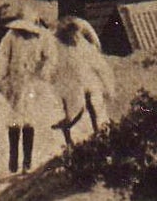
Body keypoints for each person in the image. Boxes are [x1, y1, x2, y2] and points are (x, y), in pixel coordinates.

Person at [0, 15, 56, 174]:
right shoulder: (11, 37)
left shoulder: (43, 38)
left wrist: (44, 71)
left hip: (32, 84)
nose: (25, 33)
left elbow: (50, 58)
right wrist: (2, 73)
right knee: (13, 120)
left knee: (29, 121)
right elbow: (2, 56)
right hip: (14, 82)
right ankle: (13, 158)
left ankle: (27, 161)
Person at [49, 17, 115, 147]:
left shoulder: (82, 44)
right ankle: (67, 135)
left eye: (76, 36)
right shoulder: (59, 45)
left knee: (90, 103)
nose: (75, 39)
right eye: (72, 36)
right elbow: (54, 64)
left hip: (84, 78)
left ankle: (96, 131)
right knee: (73, 110)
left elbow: (96, 52)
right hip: (68, 81)